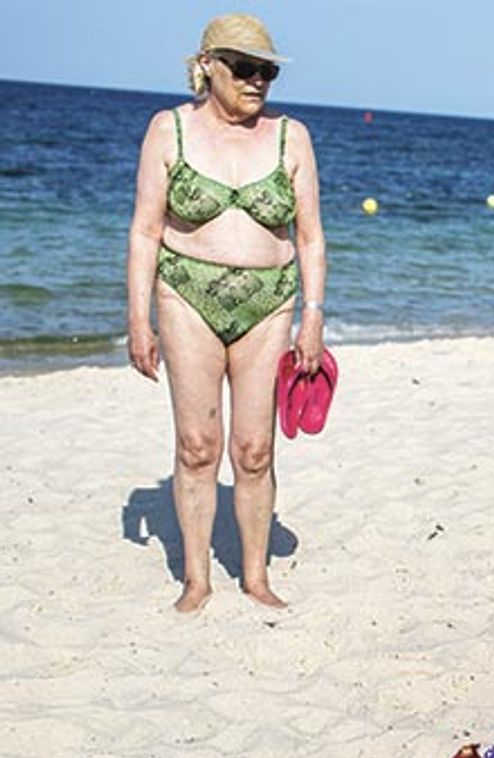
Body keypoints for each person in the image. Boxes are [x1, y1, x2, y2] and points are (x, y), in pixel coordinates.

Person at [125, 14, 327, 612]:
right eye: (243, 67)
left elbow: (311, 238)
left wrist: (312, 316)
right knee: (196, 444)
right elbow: (144, 231)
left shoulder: (293, 137)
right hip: (186, 294)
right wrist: (139, 319)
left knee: (254, 450)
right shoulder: (168, 130)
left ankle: (257, 577)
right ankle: (196, 579)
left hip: (270, 304)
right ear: (207, 64)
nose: (256, 80)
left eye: (265, 70)